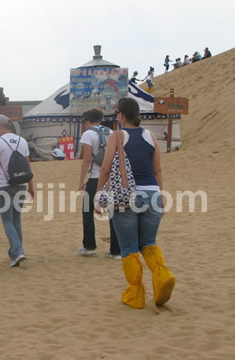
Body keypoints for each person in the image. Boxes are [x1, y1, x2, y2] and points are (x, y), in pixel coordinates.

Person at [97, 97, 175, 309]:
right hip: (152, 195)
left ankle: (136, 295)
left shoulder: (117, 135)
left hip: (126, 197)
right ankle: (162, 277)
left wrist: (97, 196)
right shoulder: (150, 136)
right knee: (149, 243)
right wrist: (159, 197)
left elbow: (105, 168)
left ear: (121, 115)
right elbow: (157, 170)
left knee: (129, 248)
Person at [0, 114, 34, 267]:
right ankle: (16, 253)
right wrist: (31, 185)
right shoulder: (22, 141)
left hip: (5, 185)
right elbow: (27, 167)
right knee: (16, 218)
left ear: (1, 127)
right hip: (21, 183)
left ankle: (18, 250)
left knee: (7, 219)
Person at [77, 109, 121, 259]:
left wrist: (81, 180)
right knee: (112, 212)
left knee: (87, 210)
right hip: (111, 177)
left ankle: (89, 246)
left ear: (87, 122)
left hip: (96, 177)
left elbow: (87, 159)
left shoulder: (88, 134)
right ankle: (116, 250)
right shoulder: (111, 131)